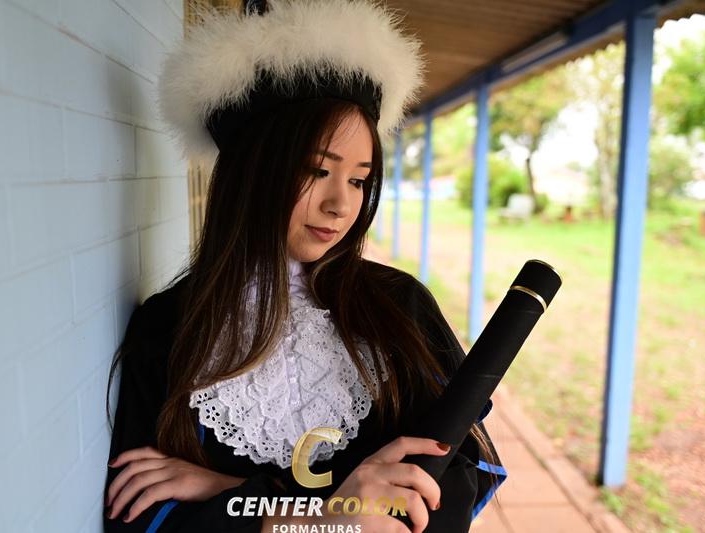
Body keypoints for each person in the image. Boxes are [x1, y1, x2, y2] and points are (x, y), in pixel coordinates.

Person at [102, 1, 507, 532]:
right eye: (318, 171)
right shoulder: (169, 325)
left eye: (359, 180)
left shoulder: (399, 305)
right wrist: (320, 517)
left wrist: (228, 492)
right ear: (252, 172)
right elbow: (143, 516)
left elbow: (456, 478)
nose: (342, 205)